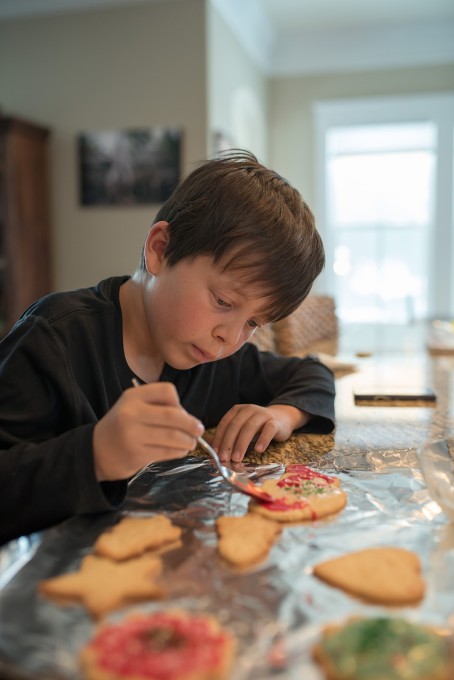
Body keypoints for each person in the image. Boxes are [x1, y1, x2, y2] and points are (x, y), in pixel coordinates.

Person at [0, 150, 335, 545]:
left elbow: (313, 373)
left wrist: (282, 415)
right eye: (223, 302)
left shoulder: (215, 358)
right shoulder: (55, 338)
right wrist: (95, 455)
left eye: (253, 323)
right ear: (160, 249)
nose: (230, 338)